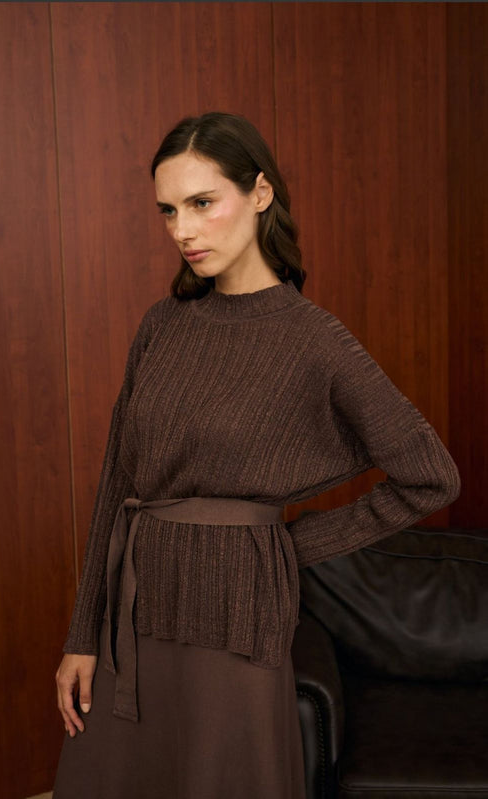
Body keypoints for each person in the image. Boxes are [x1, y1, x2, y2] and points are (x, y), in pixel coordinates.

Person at [53, 111, 461, 798]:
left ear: (260, 193)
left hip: (234, 620)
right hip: (133, 613)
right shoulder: (162, 324)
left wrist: (287, 547)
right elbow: (116, 481)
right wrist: (82, 634)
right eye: (168, 210)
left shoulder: (315, 340)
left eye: (201, 203)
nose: (181, 230)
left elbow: (430, 477)